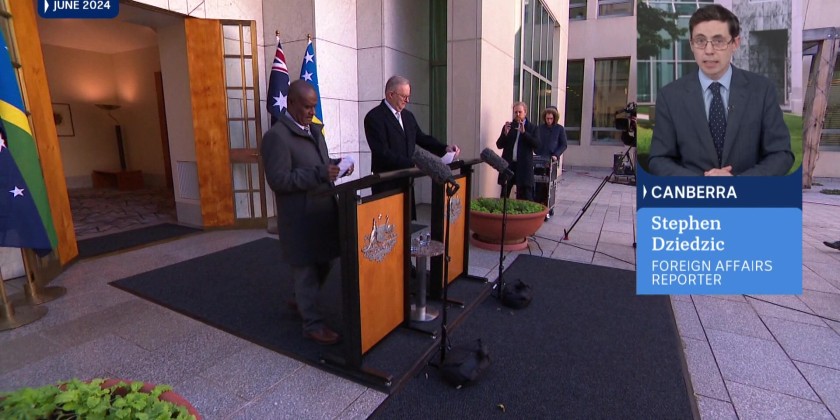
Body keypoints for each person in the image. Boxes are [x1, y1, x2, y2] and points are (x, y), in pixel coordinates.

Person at [648, 4, 794, 177]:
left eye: (718, 41)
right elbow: (659, 159)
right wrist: (702, 185)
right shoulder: (670, 96)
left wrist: (737, 183)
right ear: (691, 45)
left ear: (735, 43)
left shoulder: (762, 90)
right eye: (700, 41)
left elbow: (781, 154)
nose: (709, 51)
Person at [261, 80, 353, 345]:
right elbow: (279, 180)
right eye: (307, 107)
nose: (312, 112)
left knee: (326, 260)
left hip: (323, 213)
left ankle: (301, 300)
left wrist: (337, 165)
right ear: (290, 103)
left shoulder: (314, 130)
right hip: (299, 218)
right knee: (306, 269)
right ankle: (312, 324)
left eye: (314, 106)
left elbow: (320, 164)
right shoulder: (276, 137)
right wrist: (319, 173)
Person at [364, 75, 460, 196]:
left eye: (408, 96)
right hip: (386, 184)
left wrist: (444, 148)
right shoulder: (374, 117)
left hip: (407, 181)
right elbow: (382, 152)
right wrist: (412, 164)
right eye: (404, 96)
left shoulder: (408, 116)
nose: (407, 100)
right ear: (390, 95)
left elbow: (422, 138)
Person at [496, 101, 541, 200]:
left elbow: (537, 145)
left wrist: (524, 133)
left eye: (520, 112)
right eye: (515, 112)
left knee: (524, 196)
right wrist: (505, 134)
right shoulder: (509, 126)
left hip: (524, 166)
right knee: (504, 194)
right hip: (509, 165)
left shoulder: (532, 128)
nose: (517, 114)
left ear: (525, 112)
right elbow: (499, 145)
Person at [535, 106, 567, 217]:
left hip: (551, 160)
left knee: (549, 186)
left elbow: (563, 144)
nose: (549, 121)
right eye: (547, 118)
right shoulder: (540, 128)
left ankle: (548, 207)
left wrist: (556, 155)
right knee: (538, 184)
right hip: (540, 160)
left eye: (551, 119)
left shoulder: (559, 129)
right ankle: (538, 206)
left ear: (554, 118)